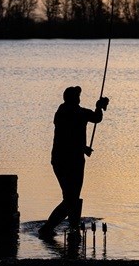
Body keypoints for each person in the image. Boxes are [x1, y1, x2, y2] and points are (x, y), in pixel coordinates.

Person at [38, 85, 109, 240]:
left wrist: (82, 147)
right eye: (77, 96)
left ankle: (72, 228)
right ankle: (48, 229)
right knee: (71, 199)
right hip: (73, 161)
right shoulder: (78, 113)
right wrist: (99, 107)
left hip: (59, 160)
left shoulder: (60, 112)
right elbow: (96, 118)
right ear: (74, 99)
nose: (79, 99)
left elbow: (70, 136)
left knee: (70, 197)